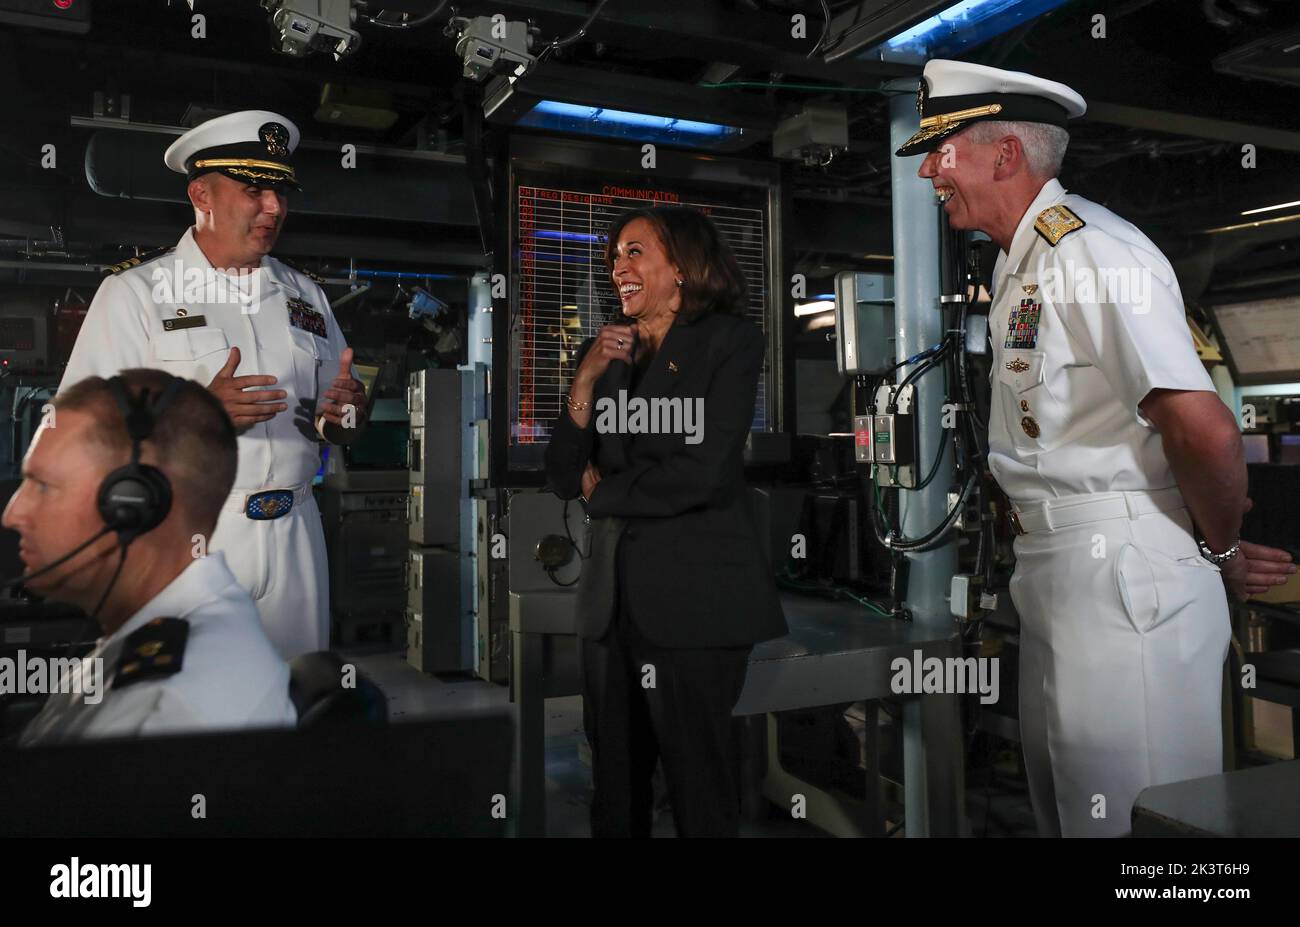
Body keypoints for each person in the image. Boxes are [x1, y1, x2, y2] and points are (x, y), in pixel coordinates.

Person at [899, 59, 1297, 836]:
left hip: (1122, 573)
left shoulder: (1094, 252)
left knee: (1141, 828)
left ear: (1005, 154)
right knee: (1074, 817)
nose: (927, 169)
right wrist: (1211, 543)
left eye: (941, 150)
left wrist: (1216, 552)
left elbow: (1203, 426)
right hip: (1063, 571)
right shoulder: (1027, 261)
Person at [59, 110, 367, 661]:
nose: (274, 208)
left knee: (291, 707)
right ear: (201, 194)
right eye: (254, 190)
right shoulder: (137, 294)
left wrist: (345, 420)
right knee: (189, 721)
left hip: (297, 530)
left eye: (280, 192)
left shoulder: (307, 297)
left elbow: (332, 422)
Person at [544, 206, 787, 837]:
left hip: (694, 605)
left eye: (635, 253)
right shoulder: (603, 352)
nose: (618, 267)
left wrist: (608, 494)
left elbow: (705, 471)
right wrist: (587, 379)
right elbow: (563, 476)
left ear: (681, 267)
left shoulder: (729, 342)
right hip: (611, 608)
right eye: (615, 256)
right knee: (615, 791)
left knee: (700, 789)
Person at [5, 369, 298, 744]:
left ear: (134, 505)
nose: (13, 514)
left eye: (44, 486)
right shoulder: (143, 637)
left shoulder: (160, 712)